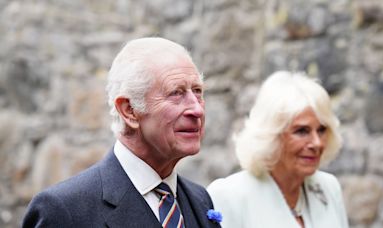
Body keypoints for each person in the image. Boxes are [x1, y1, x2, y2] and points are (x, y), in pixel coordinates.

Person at [22, 37, 221, 228]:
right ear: (129, 110)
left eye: (197, 91)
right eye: (176, 93)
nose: (197, 109)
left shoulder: (199, 200)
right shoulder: (65, 211)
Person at [207, 71, 349, 228]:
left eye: (321, 130)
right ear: (271, 135)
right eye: (302, 131)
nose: (316, 143)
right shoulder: (229, 195)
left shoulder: (328, 187)